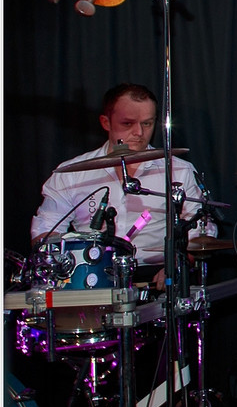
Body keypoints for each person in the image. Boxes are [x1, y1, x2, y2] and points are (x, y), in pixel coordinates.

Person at [30, 83, 215, 290]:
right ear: (105, 122)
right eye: (128, 123)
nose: (139, 132)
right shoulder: (72, 174)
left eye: (147, 123)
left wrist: (178, 264)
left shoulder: (178, 171)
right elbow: (46, 231)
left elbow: (202, 230)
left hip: (155, 277)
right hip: (90, 276)